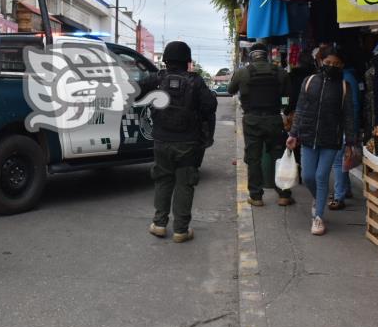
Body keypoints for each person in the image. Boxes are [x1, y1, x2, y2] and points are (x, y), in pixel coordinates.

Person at [139, 41, 216, 243]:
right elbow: (210, 106)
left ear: (165, 59)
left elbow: (136, 91)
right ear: (187, 61)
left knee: (163, 179)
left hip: (161, 140)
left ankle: (159, 224)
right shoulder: (196, 81)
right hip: (188, 143)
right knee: (185, 183)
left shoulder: (157, 79)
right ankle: (181, 230)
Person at [286, 48, 355, 235]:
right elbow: (300, 109)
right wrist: (293, 133)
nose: (331, 66)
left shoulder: (344, 86)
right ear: (320, 62)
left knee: (321, 176)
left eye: (336, 64)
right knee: (308, 176)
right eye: (328, 63)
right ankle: (318, 199)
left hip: (331, 139)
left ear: (341, 66)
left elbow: (349, 116)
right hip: (308, 137)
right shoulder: (308, 82)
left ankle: (318, 218)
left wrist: (350, 143)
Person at [228, 42, 293, 207]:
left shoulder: (242, 72)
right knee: (278, 156)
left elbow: (230, 90)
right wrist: (282, 108)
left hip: (252, 120)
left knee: (253, 158)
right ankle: (284, 195)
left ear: (251, 55)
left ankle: (256, 196)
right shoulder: (280, 73)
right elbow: (287, 97)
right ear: (267, 55)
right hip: (274, 120)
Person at [329, 60, 361, 209]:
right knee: (343, 160)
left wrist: (351, 132)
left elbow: (352, 107)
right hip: (342, 127)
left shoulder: (345, 80)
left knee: (338, 162)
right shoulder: (347, 78)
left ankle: (338, 196)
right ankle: (345, 190)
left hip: (342, 128)